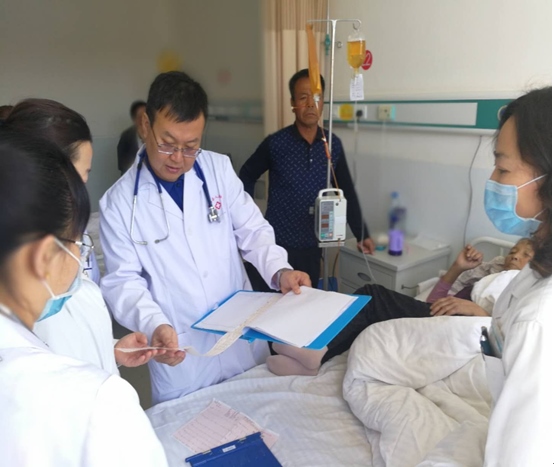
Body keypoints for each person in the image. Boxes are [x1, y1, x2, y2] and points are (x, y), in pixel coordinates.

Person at [100, 71, 310, 404]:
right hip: (182, 351)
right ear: (145, 125)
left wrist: (279, 270)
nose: (178, 158)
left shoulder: (218, 170)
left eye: (191, 147)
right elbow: (123, 282)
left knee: (259, 414)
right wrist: (154, 324)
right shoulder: (119, 202)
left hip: (240, 340)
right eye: (168, 144)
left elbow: (253, 230)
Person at [0, 130, 168, 466]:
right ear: (44, 256)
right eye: (78, 243)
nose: (80, 258)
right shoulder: (97, 402)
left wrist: (110, 350)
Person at [4, 98, 160, 373]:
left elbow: (75, 333)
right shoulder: (26, 292)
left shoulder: (67, 234)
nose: (81, 189)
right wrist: (101, 392)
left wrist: (112, 349)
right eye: (80, 177)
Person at [266, 238, 535, 376]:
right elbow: (433, 303)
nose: (515, 256)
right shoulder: (486, 274)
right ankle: (316, 359)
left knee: (372, 296)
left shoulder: (525, 289)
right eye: (514, 250)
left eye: (525, 255)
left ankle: (317, 349)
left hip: (464, 329)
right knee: (368, 313)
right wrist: (458, 267)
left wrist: (479, 312)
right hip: (439, 317)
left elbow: (510, 332)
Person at [239, 69, 375, 289]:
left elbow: (345, 190)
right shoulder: (276, 143)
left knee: (303, 299)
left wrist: (361, 233)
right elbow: (247, 174)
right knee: (268, 302)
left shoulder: (332, 145)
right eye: (303, 97)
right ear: (293, 103)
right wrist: (248, 218)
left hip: (312, 244)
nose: (311, 104)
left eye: (317, 97)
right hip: (276, 244)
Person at [117, 99, 146, 174]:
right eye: (140, 117)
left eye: (146, 116)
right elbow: (122, 165)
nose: (143, 120)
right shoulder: (126, 137)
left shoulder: (155, 135)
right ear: (134, 119)